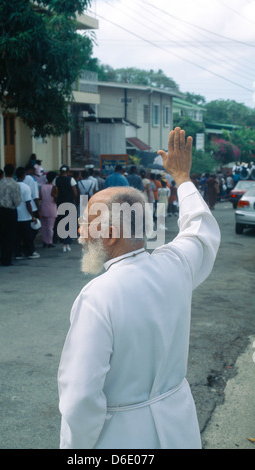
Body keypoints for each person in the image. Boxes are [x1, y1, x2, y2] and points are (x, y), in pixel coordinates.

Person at [57, 127, 221, 449]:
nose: (78, 231)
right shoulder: (176, 265)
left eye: (87, 222)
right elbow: (201, 230)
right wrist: (182, 177)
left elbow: (79, 399)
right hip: (180, 429)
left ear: (112, 234)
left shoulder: (97, 297)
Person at [0, 164, 21, 266]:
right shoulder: (15, 184)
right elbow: (17, 201)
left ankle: (2, 257)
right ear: (13, 172)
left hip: (1, 211)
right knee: (11, 234)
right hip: (11, 211)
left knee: (2, 234)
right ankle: (8, 259)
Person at [15, 167, 39, 260]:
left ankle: (18, 253)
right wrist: (32, 215)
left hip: (15, 214)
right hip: (25, 215)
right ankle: (30, 252)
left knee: (17, 236)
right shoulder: (26, 187)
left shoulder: (13, 186)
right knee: (27, 236)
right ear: (24, 175)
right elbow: (28, 203)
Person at [55, 165, 78, 252]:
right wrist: (75, 200)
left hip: (60, 203)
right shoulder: (71, 180)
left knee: (62, 222)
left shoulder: (56, 180)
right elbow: (75, 192)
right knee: (70, 223)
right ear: (67, 172)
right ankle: (67, 242)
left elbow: (55, 192)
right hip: (69, 203)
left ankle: (64, 240)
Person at [40, 171, 58, 248]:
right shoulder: (54, 187)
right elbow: (56, 198)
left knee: (43, 226)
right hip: (52, 208)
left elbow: (40, 197)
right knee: (50, 227)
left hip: (43, 207)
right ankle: (50, 242)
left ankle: (45, 241)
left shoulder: (42, 186)